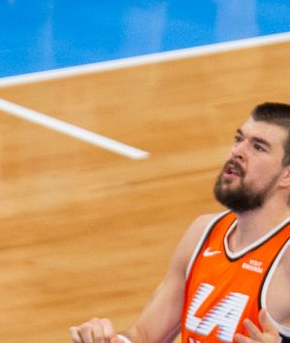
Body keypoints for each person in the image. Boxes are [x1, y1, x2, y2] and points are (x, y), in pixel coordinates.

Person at [70, 102, 290, 343]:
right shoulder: (203, 232)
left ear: (287, 175)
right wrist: (106, 340)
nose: (237, 151)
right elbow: (143, 335)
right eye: (239, 139)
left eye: (258, 147)